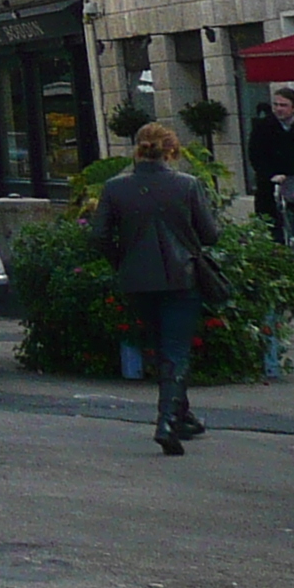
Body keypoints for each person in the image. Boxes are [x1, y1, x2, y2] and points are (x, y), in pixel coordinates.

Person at [90, 120, 222, 454]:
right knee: (176, 349)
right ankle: (167, 422)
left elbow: (99, 236)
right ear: (171, 150)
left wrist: (122, 260)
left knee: (161, 346)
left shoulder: (115, 188)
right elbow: (209, 235)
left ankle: (182, 413)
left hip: (137, 278)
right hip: (181, 277)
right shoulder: (187, 185)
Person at [247, 86, 294, 236]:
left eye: (283, 105)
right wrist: (270, 175)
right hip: (270, 177)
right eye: (275, 105)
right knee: (270, 220)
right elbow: (255, 154)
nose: (278, 109)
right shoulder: (263, 126)